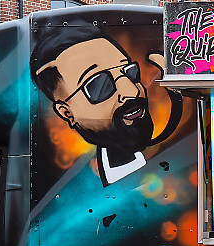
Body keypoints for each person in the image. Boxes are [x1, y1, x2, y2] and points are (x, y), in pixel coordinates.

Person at [30, 19, 182, 187]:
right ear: (67, 113)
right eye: (98, 85)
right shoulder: (72, 189)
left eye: (130, 72)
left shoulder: (182, 162)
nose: (131, 91)